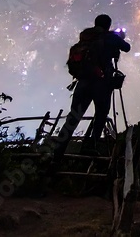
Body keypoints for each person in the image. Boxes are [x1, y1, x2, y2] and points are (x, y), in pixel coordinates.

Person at [53, 14, 131, 160]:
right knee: (101, 112)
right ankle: (90, 146)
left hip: (82, 82)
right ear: (108, 25)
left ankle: (58, 150)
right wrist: (116, 36)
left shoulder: (87, 37)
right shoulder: (110, 37)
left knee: (74, 116)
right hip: (100, 82)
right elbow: (127, 47)